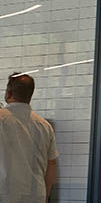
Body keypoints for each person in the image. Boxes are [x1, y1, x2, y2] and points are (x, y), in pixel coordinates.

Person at [0, 73, 58, 203]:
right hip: (35, 195)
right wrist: (45, 195)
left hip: (4, 193)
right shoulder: (45, 126)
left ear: (8, 93)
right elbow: (52, 163)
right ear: (30, 96)